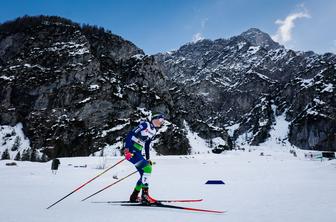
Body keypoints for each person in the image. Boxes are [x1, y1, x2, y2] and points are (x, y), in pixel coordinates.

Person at [124, 113, 166, 204]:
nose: (161, 122)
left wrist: (148, 158)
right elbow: (131, 133)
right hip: (131, 151)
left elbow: (147, 144)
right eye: (161, 120)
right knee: (148, 168)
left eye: (163, 121)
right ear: (155, 119)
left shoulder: (154, 131)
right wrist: (127, 149)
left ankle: (134, 196)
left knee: (144, 174)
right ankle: (145, 196)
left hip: (138, 152)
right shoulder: (145, 124)